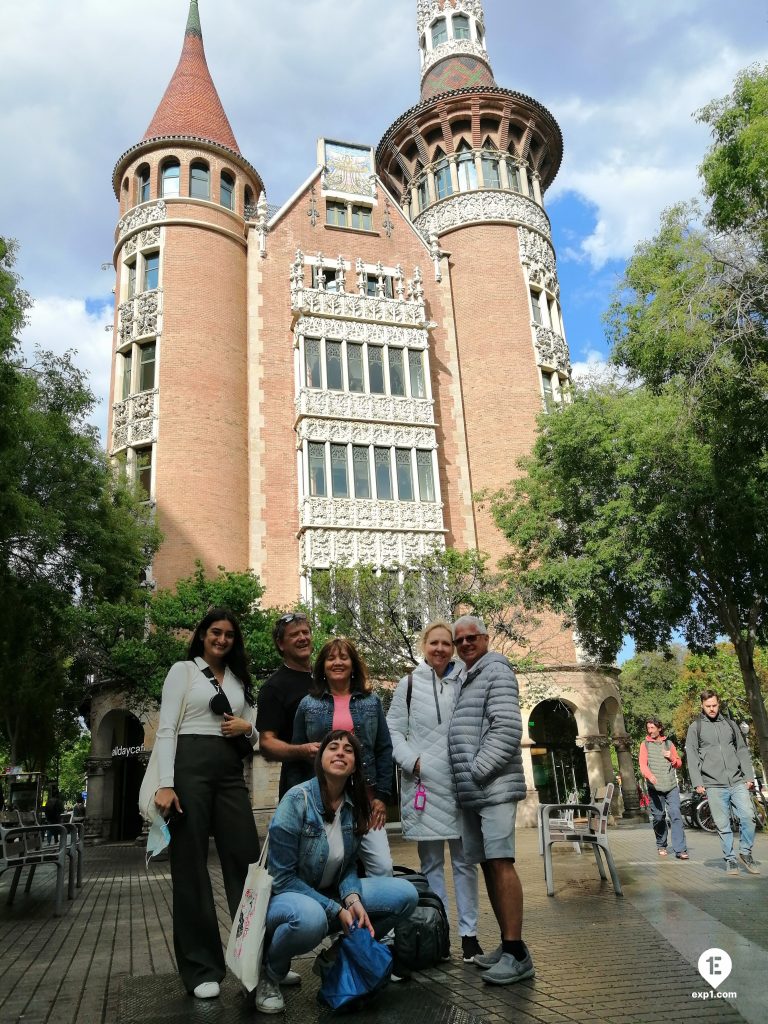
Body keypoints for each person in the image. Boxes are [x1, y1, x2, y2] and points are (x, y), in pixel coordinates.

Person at [255, 730, 418, 1014]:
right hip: (288, 897)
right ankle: (271, 974)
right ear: (320, 759)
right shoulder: (296, 800)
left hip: (332, 895)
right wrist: (335, 908)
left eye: (348, 749)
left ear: (355, 765)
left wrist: (352, 898)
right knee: (311, 918)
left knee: (406, 894)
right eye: (333, 747)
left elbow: (348, 867)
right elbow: (282, 879)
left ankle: (336, 956)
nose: (340, 752)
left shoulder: (354, 806)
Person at [153, 608, 261, 999]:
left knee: (247, 861)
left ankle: (255, 960)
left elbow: (256, 736)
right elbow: (166, 730)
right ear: (202, 635)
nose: (222, 640)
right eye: (216, 632)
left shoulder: (239, 681)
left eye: (229, 635)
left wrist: (248, 728)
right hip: (188, 769)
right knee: (190, 864)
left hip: (230, 772)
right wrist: (166, 784)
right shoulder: (181, 672)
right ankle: (202, 969)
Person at [387, 619, 483, 963]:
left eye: (446, 643)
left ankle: (469, 936)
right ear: (423, 647)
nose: (441, 648)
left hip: (460, 785)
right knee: (430, 866)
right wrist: (411, 762)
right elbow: (393, 732)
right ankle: (437, 934)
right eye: (434, 643)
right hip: (424, 784)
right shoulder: (408, 684)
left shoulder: (466, 680)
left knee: (465, 863)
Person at [447, 615, 533, 986]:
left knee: (501, 863)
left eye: (471, 638)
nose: (465, 644)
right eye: (459, 640)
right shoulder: (470, 676)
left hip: (492, 787)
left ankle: (516, 953)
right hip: (474, 792)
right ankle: (508, 944)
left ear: (485, 638)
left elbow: (507, 728)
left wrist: (477, 771)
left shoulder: (496, 670)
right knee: (487, 865)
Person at [287, 637, 395, 875]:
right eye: (331, 658)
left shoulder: (372, 701)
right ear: (322, 666)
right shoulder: (308, 704)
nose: (338, 662)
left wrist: (381, 797)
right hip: (321, 802)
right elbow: (296, 756)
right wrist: (296, 803)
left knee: (383, 868)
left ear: (353, 664)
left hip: (364, 800)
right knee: (323, 867)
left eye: (343, 657)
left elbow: (384, 749)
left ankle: (372, 910)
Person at [685, 689, 759, 875]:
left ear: (719, 704)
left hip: (736, 780)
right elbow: (692, 756)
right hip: (713, 784)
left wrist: (748, 776)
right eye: (708, 706)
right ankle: (730, 860)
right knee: (722, 824)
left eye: (714, 705)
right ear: (702, 706)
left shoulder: (730, 724)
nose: (712, 709)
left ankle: (745, 852)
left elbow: (742, 750)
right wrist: (697, 781)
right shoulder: (696, 727)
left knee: (748, 817)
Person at [256, 612, 318, 799]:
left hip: (337, 774)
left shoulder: (326, 677)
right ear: (281, 644)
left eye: (305, 632)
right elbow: (266, 743)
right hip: (299, 780)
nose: (302, 638)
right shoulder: (273, 687)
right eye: (294, 634)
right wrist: (301, 751)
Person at [638, 716, 689, 860]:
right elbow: (642, 765)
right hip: (655, 788)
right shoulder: (645, 744)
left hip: (671, 786)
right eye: (648, 728)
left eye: (652, 728)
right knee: (659, 817)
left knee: (675, 815)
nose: (650, 731)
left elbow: (678, 763)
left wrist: (671, 758)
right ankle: (661, 844)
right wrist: (649, 775)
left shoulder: (669, 744)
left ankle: (680, 850)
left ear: (659, 728)